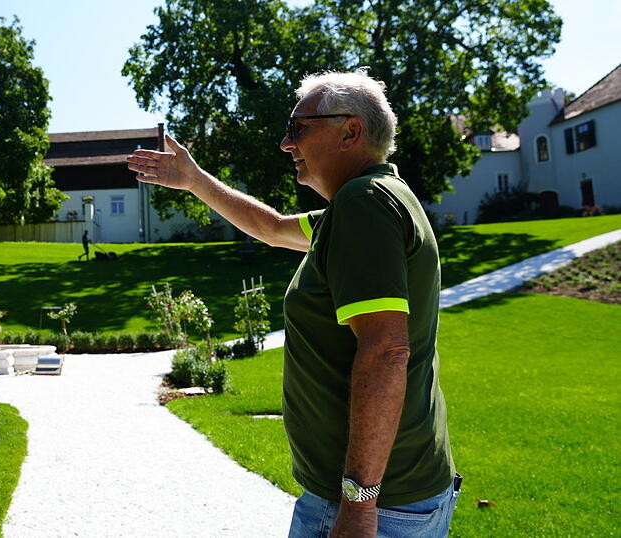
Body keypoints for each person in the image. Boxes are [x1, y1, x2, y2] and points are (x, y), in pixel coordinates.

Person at [126, 70, 459, 538]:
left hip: (376, 506)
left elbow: (386, 352)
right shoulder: (362, 204)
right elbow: (272, 227)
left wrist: (359, 502)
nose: (286, 143)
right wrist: (194, 179)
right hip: (392, 497)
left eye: (298, 128)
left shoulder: (364, 204)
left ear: (350, 131)